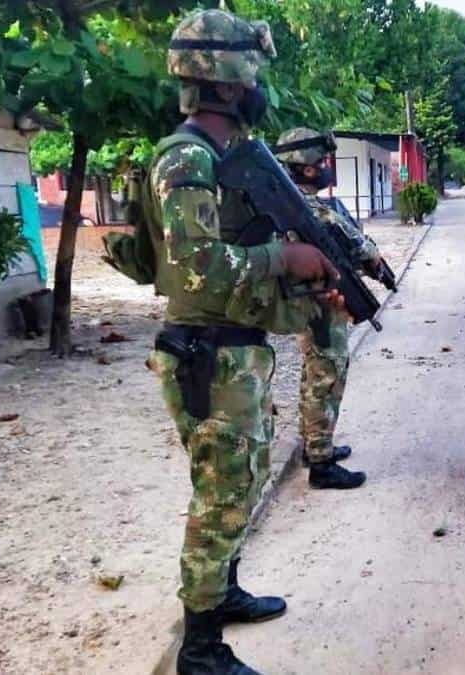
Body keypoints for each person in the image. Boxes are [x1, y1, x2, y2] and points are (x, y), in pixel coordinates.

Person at [107, 10, 344, 675]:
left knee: (240, 481)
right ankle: (201, 650)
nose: (260, 85)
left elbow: (229, 263)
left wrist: (302, 284)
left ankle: (225, 591)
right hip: (209, 354)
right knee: (218, 497)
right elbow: (198, 269)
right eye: (255, 70)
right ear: (231, 78)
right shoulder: (187, 158)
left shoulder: (220, 159)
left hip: (231, 350)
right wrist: (283, 257)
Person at [275, 127, 382, 491]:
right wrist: (375, 261)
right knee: (327, 373)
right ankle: (320, 463)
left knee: (314, 371)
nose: (326, 168)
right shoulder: (309, 208)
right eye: (322, 162)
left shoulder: (287, 205)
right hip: (321, 302)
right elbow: (359, 248)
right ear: (305, 168)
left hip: (308, 299)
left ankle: (314, 445)